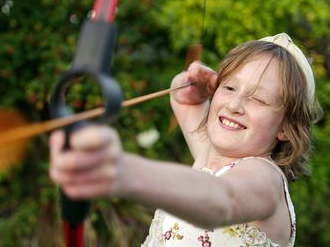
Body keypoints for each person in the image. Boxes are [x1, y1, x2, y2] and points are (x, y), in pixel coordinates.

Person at [49, 33, 323, 247]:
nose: (235, 105)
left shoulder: (265, 179)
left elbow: (222, 199)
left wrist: (120, 170)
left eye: (259, 99)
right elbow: (189, 108)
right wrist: (184, 92)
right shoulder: (209, 161)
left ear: (286, 127)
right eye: (228, 87)